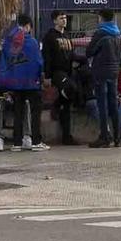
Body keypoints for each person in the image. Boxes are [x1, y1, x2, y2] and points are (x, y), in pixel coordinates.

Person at [0, 14, 45, 152]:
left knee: (18, 111)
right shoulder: (32, 42)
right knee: (35, 110)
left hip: (15, 83)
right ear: (27, 26)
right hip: (31, 83)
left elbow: (5, 62)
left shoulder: (8, 42)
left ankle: (16, 143)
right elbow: (38, 62)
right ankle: (36, 141)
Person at [87, 11, 121, 148]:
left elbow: (89, 51)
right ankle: (117, 138)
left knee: (102, 105)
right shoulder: (117, 33)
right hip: (114, 71)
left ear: (101, 18)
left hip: (101, 71)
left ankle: (104, 136)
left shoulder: (100, 33)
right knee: (113, 104)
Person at [43, 12, 76, 145]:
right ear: (54, 21)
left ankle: (66, 136)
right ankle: (58, 103)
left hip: (68, 72)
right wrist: (47, 76)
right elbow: (47, 57)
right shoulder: (49, 37)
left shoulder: (67, 35)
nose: (64, 20)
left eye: (65, 18)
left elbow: (71, 54)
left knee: (67, 104)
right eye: (61, 18)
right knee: (70, 89)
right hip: (57, 72)